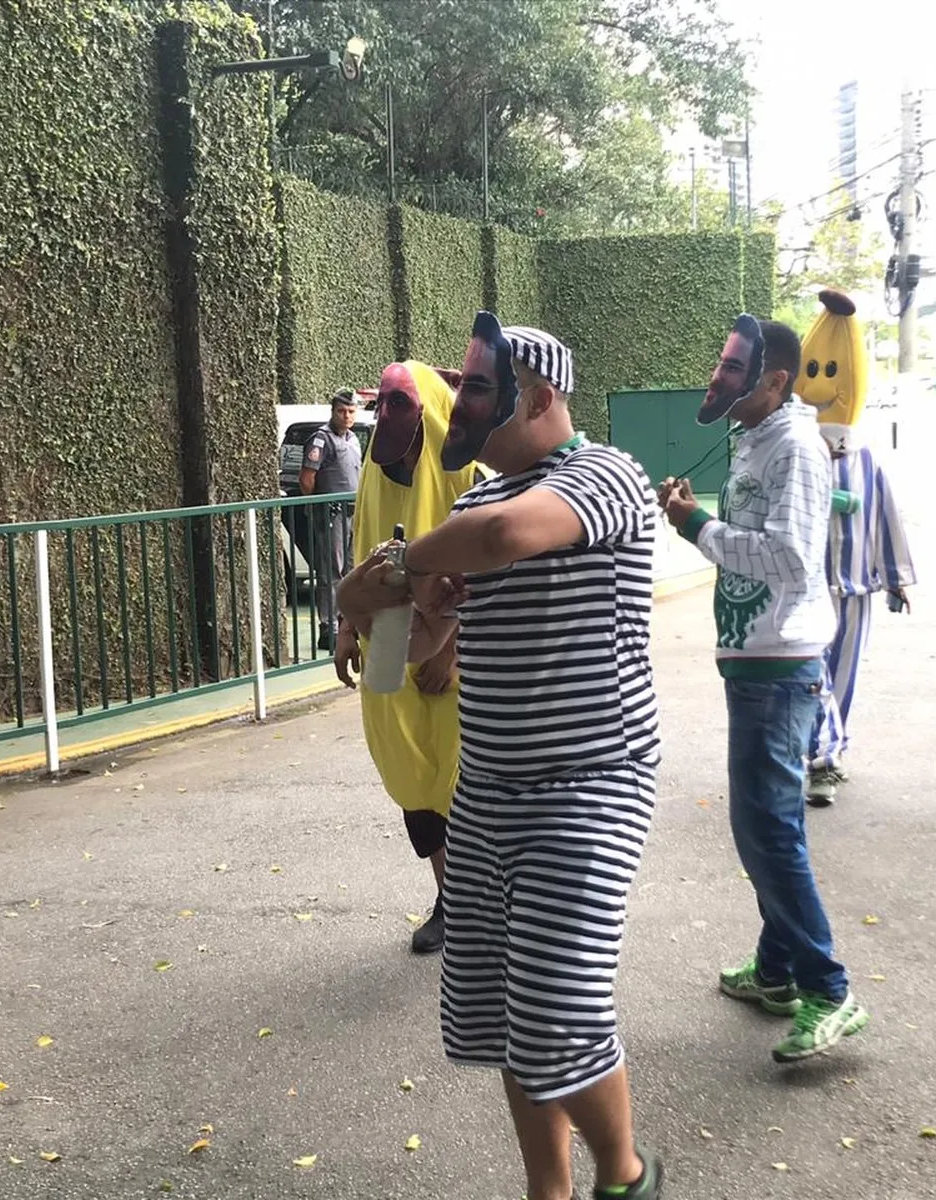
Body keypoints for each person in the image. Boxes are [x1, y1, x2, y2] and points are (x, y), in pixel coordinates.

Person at [338, 313, 663, 1200]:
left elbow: (504, 542)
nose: (463, 403)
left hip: (592, 783)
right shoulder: (474, 501)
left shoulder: (608, 476)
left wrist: (388, 568)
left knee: (558, 1016)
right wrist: (371, 609)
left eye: (479, 388)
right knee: (504, 1019)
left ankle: (628, 1175)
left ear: (541, 395)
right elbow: (416, 647)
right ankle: (546, 1192)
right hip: (487, 789)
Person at [659, 315, 868, 1063]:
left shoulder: (798, 452)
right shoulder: (757, 442)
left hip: (781, 669)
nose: (717, 378)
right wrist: (699, 519)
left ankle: (830, 989)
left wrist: (698, 529)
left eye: (731, 368)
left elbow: (791, 560)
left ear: (775, 381)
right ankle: (778, 971)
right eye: (720, 364)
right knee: (767, 828)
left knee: (768, 832)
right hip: (752, 661)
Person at [333, 362, 478, 955]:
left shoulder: (467, 470)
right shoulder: (376, 464)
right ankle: (451, 900)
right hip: (390, 631)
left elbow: (492, 562)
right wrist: (347, 626)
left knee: (461, 773)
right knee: (411, 773)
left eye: (403, 410)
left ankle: (477, 901)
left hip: (452, 634)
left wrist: (456, 646)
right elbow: (364, 545)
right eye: (382, 409)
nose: (388, 423)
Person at [795, 289, 916, 806]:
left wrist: (895, 578)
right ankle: (822, 755)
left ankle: (828, 748)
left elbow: (886, 517)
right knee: (812, 669)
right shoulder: (796, 453)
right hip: (804, 586)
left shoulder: (868, 462)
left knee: (844, 673)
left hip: (855, 586)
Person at [299, 389, 362, 651]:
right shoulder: (321, 439)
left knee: (350, 571)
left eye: (350, 411)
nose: (346, 416)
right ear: (333, 411)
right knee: (331, 572)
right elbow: (307, 478)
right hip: (331, 512)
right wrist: (317, 509)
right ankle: (329, 628)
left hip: (351, 512)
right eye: (341, 411)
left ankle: (346, 623)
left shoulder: (354, 439)